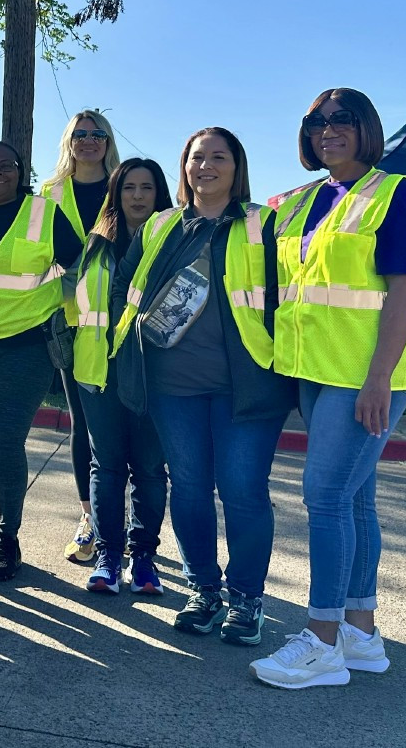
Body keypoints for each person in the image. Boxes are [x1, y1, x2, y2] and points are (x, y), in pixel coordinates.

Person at [249, 89, 406, 689]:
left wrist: (378, 379)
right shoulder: (301, 202)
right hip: (313, 370)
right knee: (354, 501)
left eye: (342, 120)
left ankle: (322, 643)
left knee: (324, 499)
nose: (328, 130)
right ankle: (361, 632)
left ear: (365, 128)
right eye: (317, 122)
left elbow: (404, 290)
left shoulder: (395, 192)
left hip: (365, 376)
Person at [111, 129, 294, 646]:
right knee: (189, 488)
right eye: (197, 158)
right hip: (173, 387)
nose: (206, 166)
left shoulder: (264, 224)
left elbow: (289, 296)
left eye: (219, 157)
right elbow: (126, 287)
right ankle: (203, 591)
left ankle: (246, 600)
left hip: (250, 386)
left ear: (238, 167)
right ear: (184, 167)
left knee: (242, 491)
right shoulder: (162, 226)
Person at [0, 141, 83, 582]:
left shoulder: (44, 214)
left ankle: (8, 538)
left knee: (4, 439)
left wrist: (56, 307)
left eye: (6, 166)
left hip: (26, 345)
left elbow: (78, 267)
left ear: (20, 171)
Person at [70, 158, 170, 597]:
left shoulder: (173, 241)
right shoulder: (95, 243)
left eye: (147, 187)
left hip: (154, 375)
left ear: (159, 193)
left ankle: (143, 558)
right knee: (106, 465)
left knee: (149, 467)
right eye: (129, 187)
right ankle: (110, 557)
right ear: (116, 193)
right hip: (98, 371)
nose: (137, 195)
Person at [41, 110, 120, 565]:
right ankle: (90, 518)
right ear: (68, 141)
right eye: (80, 134)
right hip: (71, 322)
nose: (88, 141)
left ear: (108, 142)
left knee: (128, 424)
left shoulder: (128, 184)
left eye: (97, 134)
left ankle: (128, 519)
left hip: (125, 322)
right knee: (84, 425)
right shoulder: (47, 195)